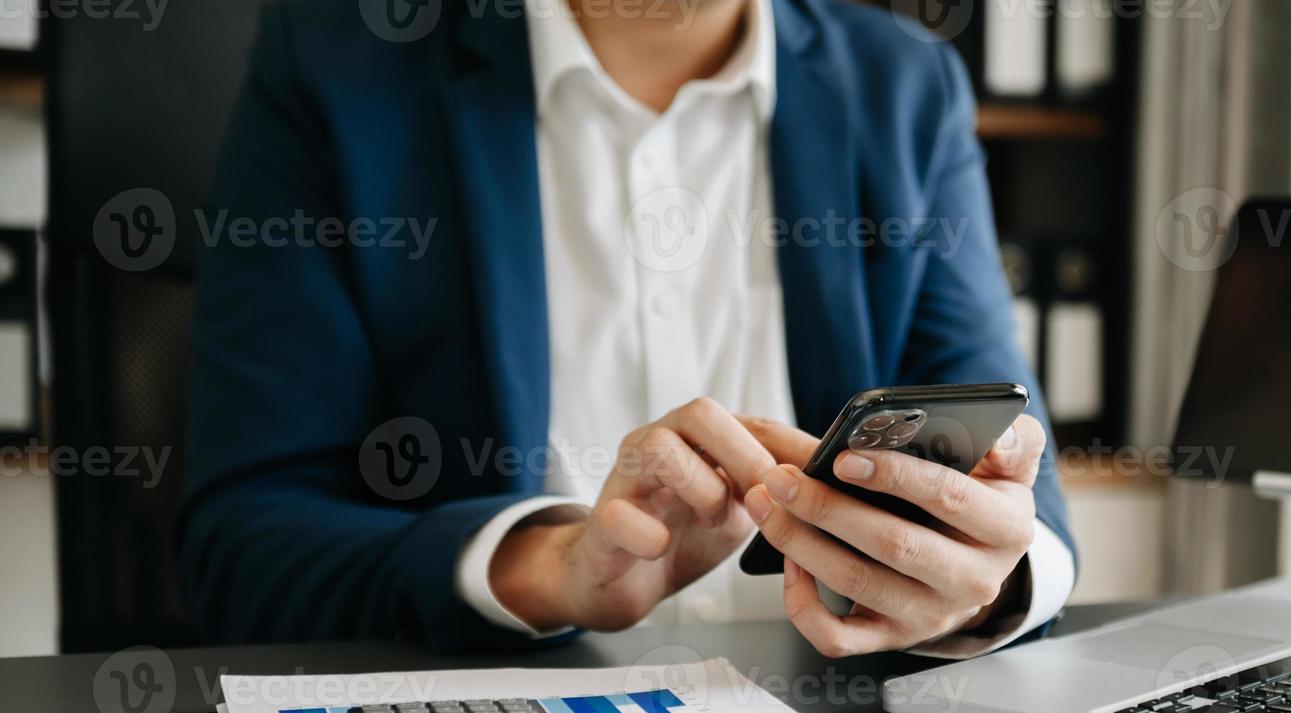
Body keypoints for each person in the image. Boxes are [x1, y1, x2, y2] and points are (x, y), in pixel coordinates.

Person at [177, 0, 1076, 657]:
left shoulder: (903, 85)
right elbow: (244, 548)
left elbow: (1022, 502)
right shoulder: (339, 66)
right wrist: (544, 568)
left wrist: (978, 587)